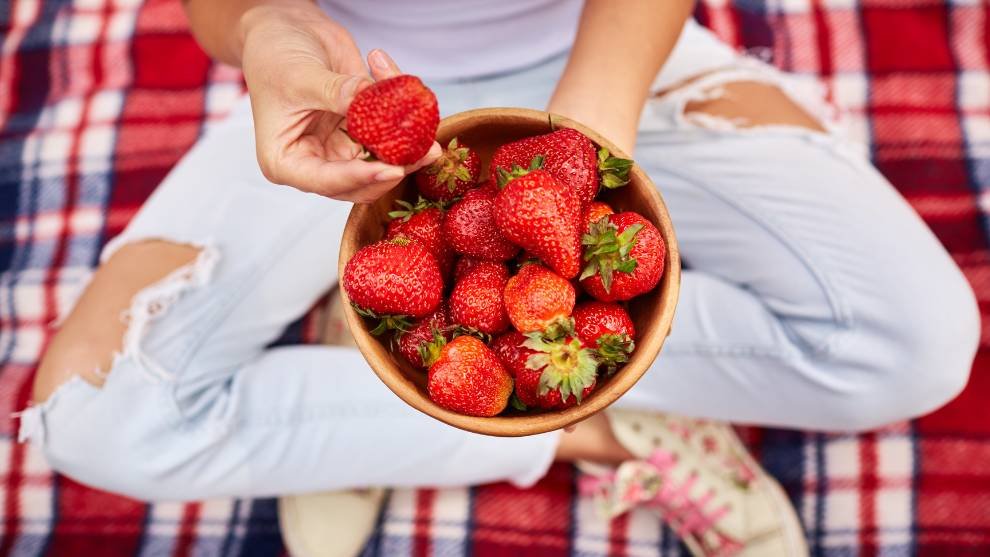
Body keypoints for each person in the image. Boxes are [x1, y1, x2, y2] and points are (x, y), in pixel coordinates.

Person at [21, 0, 980, 555]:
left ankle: (376, 384)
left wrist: (586, 130)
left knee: (920, 343)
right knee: (94, 422)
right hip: (354, 90)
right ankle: (587, 428)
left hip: (610, 60)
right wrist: (270, 28)